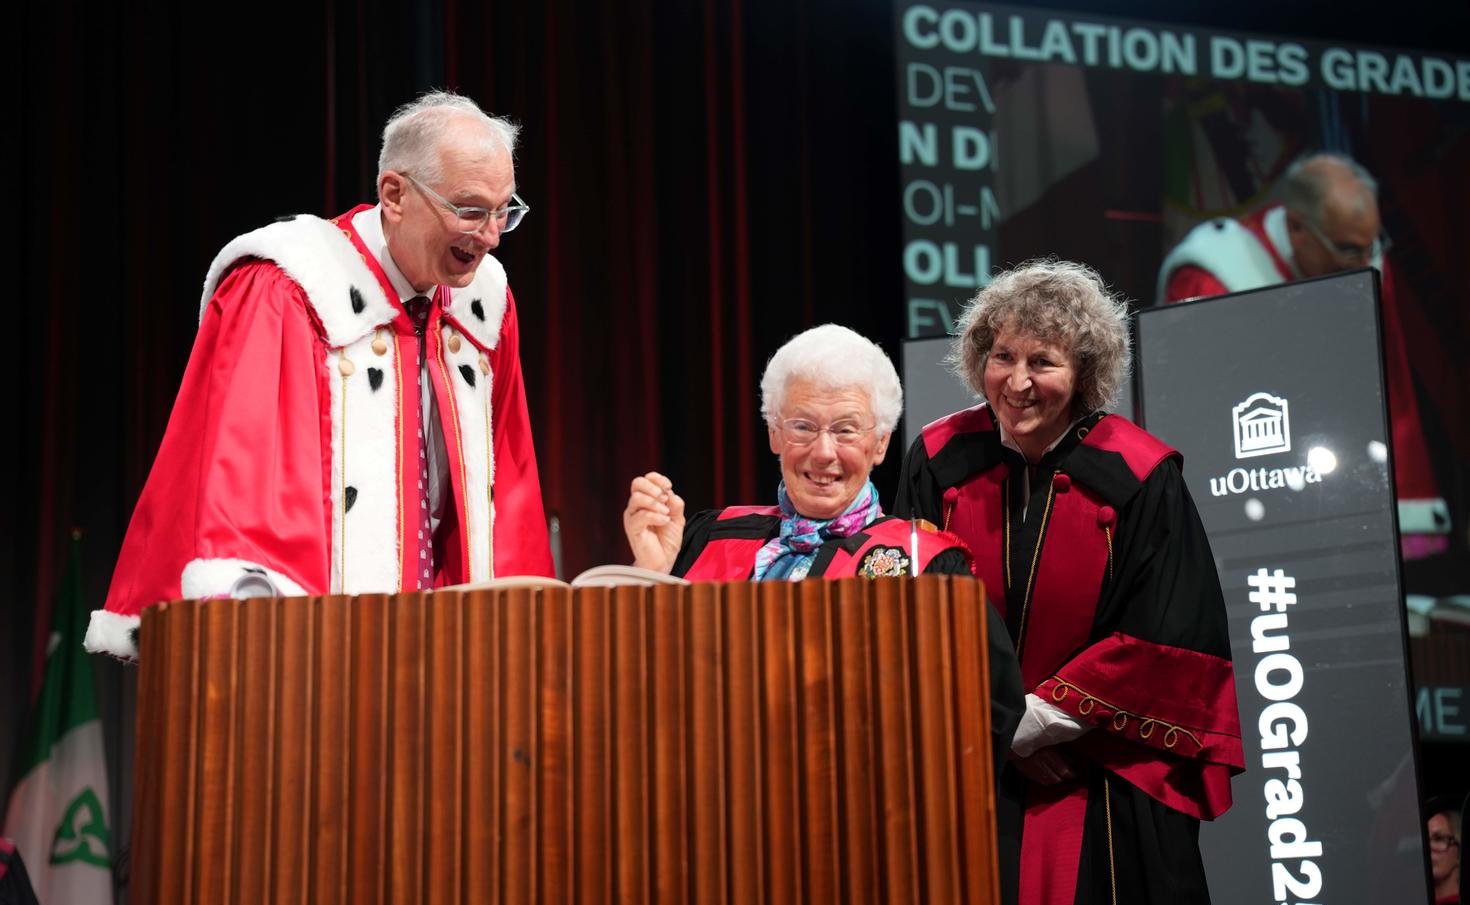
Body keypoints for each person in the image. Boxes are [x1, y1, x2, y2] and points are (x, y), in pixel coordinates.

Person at [86, 92, 552, 659]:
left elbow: (509, 478)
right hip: (322, 651)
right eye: (470, 210)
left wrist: (526, 628)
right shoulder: (290, 287)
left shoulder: (485, 303)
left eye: (505, 210)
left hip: (449, 645)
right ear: (395, 194)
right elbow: (245, 489)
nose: (491, 236)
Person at [895, 260, 1244, 905]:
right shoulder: (937, 460)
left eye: (1043, 362)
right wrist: (998, 730)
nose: (1017, 382)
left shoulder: (1141, 476)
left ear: (1084, 372)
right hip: (969, 761)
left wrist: (1036, 723)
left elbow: (1171, 630)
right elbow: (908, 610)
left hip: (1099, 767)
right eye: (1002, 356)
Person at [623, 322, 1024, 771]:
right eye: (802, 426)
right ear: (775, 435)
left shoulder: (924, 565)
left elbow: (984, 719)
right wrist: (650, 571)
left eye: (847, 430)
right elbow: (632, 693)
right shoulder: (708, 536)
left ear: (881, 444)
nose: (823, 452)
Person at [1158, 151, 1448, 556]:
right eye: (1348, 249)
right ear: (1296, 227)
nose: (1366, 262)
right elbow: (1191, 414)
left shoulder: (1365, 259)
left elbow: (1388, 383)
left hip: (1346, 486)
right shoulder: (1214, 274)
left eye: (1373, 244)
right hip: (1248, 496)